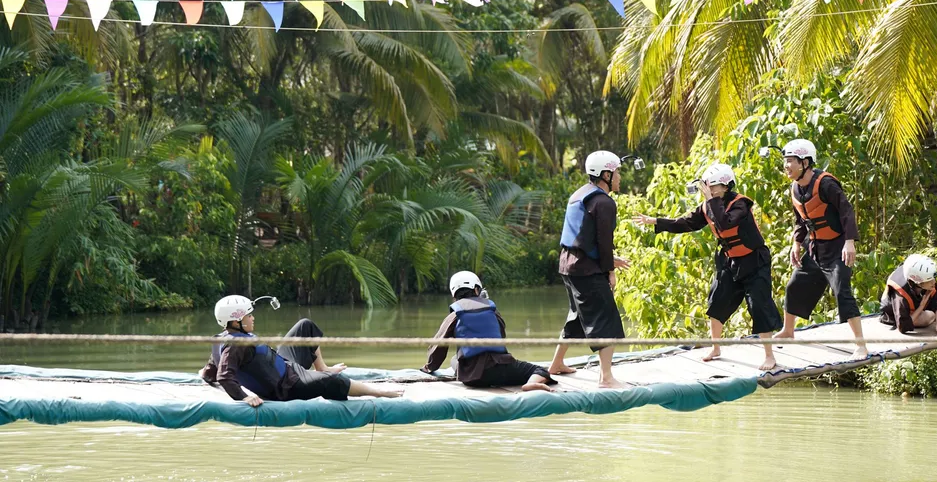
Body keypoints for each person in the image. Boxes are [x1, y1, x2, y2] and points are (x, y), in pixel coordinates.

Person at [633, 163, 783, 370]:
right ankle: (716, 347)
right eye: (707, 187)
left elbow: (726, 223)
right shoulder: (708, 206)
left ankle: (769, 355)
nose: (708, 191)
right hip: (729, 262)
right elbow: (685, 223)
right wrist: (656, 221)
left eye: (711, 187)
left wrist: (711, 200)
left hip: (754, 262)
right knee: (717, 301)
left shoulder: (740, 205)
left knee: (759, 305)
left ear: (725, 186)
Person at [200, 295, 401, 406]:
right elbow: (225, 376)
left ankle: (322, 368)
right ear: (236, 321)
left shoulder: (223, 339)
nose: (253, 319)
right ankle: (379, 392)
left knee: (305, 326)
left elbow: (213, 369)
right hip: (287, 387)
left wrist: (206, 375)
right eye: (249, 316)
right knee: (331, 381)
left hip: (286, 366)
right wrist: (244, 397)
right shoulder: (235, 345)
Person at [772, 138, 870, 359]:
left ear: (805, 162)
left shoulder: (826, 184)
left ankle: (861, 345)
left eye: (790, 161)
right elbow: (800, 221)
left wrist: (850, 242)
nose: (786, 166)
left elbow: (846, 211)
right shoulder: (795, 189)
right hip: (815, 247)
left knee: (842, 291)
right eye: (785, 161)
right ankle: (788, 331)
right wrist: (796, 244)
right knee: (794, 285)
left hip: (837, 247)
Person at [549, 150, 630, 389]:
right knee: (607, 319)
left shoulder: (579, 194)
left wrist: (609, 260)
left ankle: (556, 364)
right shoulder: (604, 202)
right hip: (585, 270)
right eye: (617, 173)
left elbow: (583, 237)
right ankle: (606, 377)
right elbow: (604, 241)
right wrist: (610, 271)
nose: (619, 178)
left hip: (568, 265)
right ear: (606, 174)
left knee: (576, 316)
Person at [422, 271, 556, 392]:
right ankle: (532, 383)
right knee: (540, 370)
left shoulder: (454, 315)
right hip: (503, 369)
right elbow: (501, 338)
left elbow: (438, 345)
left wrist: (429, 368)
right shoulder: (492, 310)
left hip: (473, 378)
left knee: (454, 360)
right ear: (476, 289)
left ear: (454, 295)